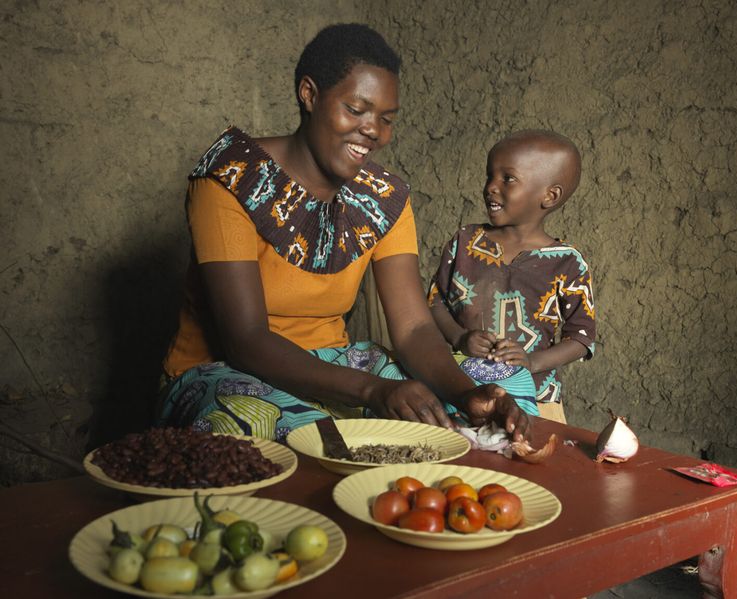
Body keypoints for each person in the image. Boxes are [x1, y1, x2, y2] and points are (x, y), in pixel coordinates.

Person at [156, 23, 534, 443]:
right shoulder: (232, 179)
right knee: (264, 427)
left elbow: (412, 329)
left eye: (386, 119)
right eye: (356, 110)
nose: (373, 130)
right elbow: (245, 339)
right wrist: (374, 390)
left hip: (338, 364)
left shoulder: (383, 197)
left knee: (504, 382)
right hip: (223, 372)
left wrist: (466, 394)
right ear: (309, 94)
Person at [428, 130, 596, 424]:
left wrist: (532, 362)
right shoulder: (465, 242)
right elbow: (434, 303)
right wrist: (460, 337)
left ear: (549, 195)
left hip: (536, 400)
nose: (491, 187)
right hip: (462, 392)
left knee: (527, 464)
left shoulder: (568, 264)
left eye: (508, 179)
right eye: (489, 176)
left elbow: (581, 338)